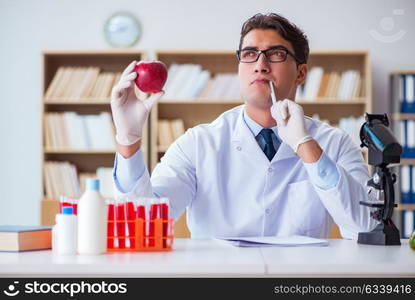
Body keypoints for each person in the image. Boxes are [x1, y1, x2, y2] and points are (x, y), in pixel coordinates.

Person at [110, 13, 377, 239]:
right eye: (250, 54)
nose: (260, 65)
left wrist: (306, 147)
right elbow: (141, 227)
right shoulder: (198, 144)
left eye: (275, 54)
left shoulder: (335, 143)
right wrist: (128, 139)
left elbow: (367, 227)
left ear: (301, 73)